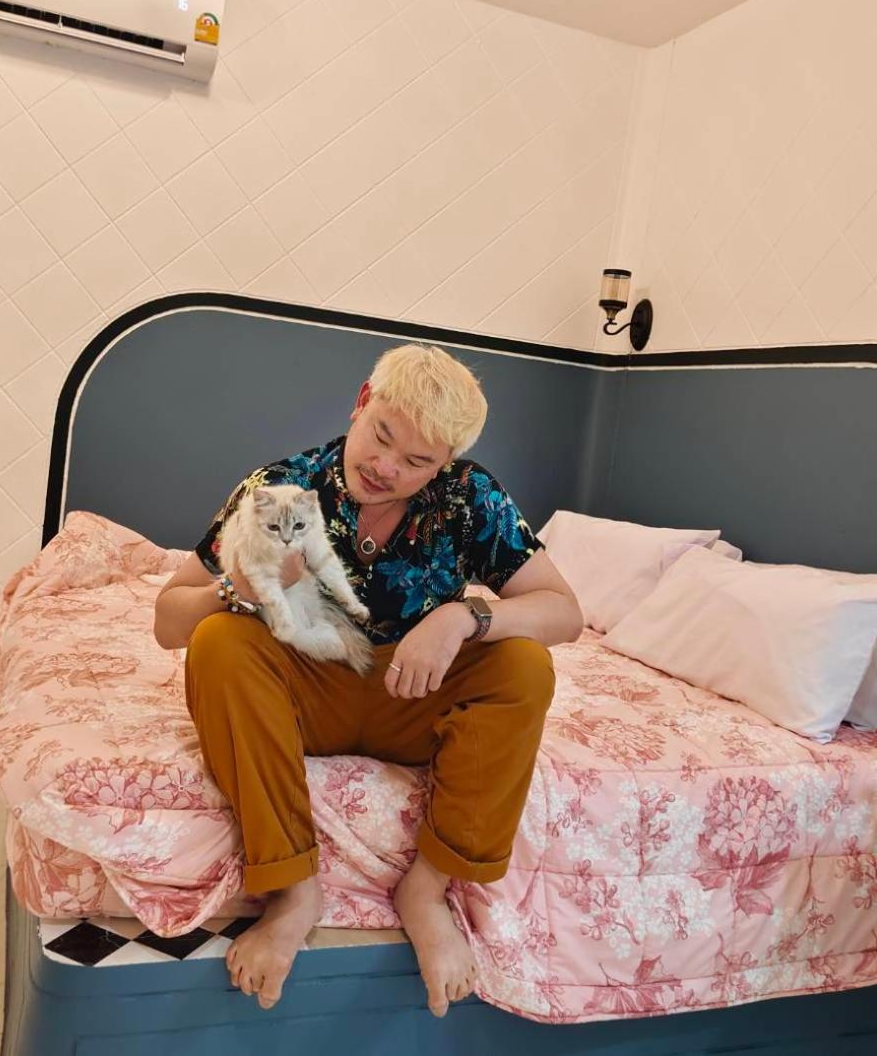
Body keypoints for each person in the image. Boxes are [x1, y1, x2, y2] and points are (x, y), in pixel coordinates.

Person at [154, 344, 582, 1018]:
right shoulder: (282, 487)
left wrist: (462, 617)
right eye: (381, 436)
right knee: (218, 641)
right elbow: (168, 621)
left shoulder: (471, 497)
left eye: (416, 461)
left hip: (413, 698)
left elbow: (564, 612)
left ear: (444, 463)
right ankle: (294, 892)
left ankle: (426, 891)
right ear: (361, 403)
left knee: (525, 663)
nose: (386, 468)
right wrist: (241, 586)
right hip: (304, 697)